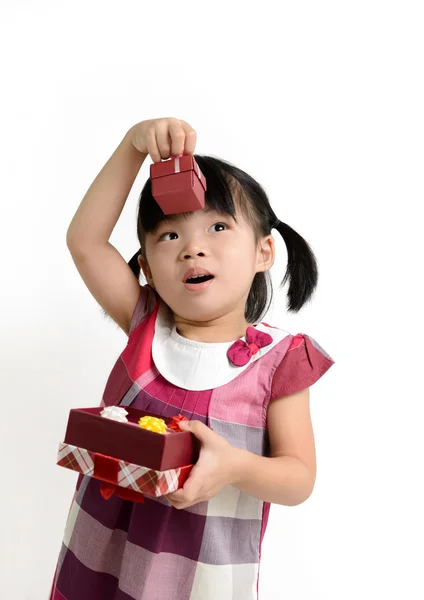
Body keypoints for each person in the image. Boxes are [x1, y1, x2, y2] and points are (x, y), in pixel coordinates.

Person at [50, 117, 335, 600]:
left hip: (200, 580)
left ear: (264, 251)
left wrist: (234, 468)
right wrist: (132, 146)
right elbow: (85, 242)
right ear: (146, 269)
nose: (193, 248)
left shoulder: (280, 361)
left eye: (218, 226)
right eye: (169, 236)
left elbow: (298, 479)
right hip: (100, 561)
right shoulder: (145, 323)